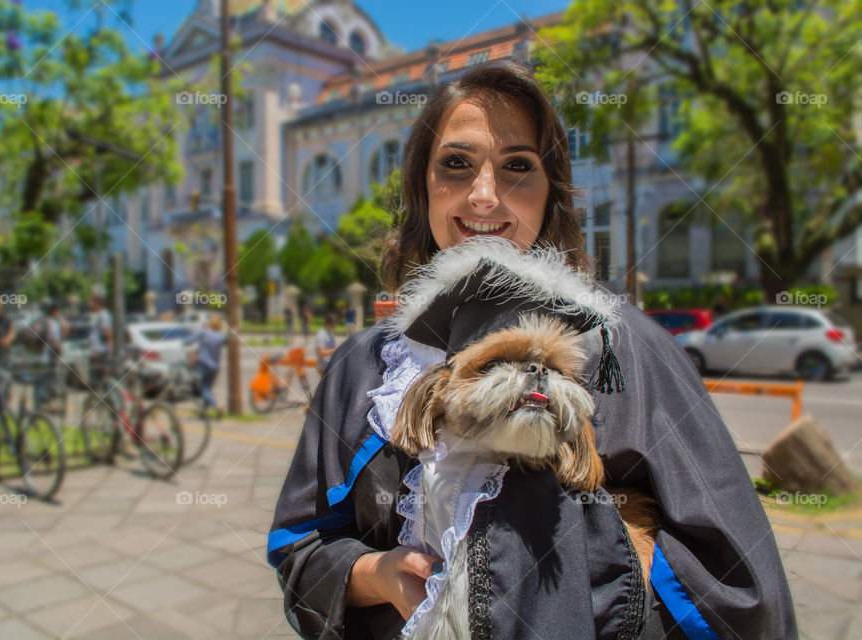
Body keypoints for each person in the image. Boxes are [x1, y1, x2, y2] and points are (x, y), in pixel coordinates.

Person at [268, 62, 795, 639]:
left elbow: (739, 583)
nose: (485, 195)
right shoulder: (364, 363)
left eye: (519, 166)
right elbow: (301, 545)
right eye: (456, 165)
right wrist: (380, 573)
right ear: (423, 185)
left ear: (552, 193)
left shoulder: (626, 344)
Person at [184, 314, 226, 411]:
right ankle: (204, 411)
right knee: (208, 387)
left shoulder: (204, 333)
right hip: (215, 366)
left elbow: (189, 340)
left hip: (203, 364)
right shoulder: (220, 337)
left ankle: (215, 405)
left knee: (202, 387)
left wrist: (183, 342)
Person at [87, 294, 112, 389]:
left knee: (97, 379)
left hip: (100, 351)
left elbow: (107, 332)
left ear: (97, 303)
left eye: (91, 301)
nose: (89, 303)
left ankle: (101, 400)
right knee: (95, 379)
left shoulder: (103, 315)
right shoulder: (98, 315)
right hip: (97, 351)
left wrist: (108, 349)